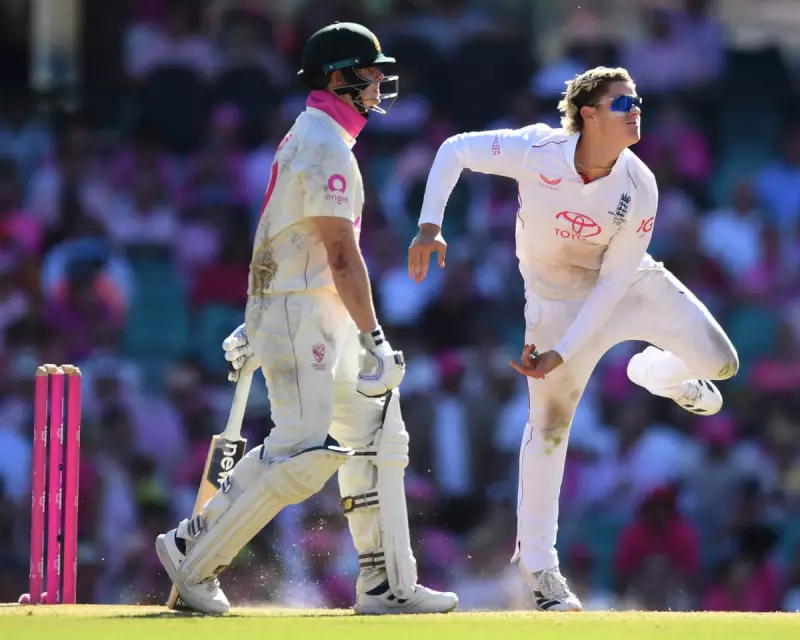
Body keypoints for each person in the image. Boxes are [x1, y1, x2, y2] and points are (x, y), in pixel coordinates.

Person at [407, 66, 739, 611]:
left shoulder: (640, 183)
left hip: (628, 287)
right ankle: (540, 569)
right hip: (555, 303)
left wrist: (564, 352)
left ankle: (653, 371)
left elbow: (612, 283)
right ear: (588, 113)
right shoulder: (537, 149)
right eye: (622, 102)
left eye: (637, 100)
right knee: (549, 427)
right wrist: (429, 226)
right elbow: (455, 150)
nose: (636, 109)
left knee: (721, 365)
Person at [156, 22, 458, 616]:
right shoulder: (322, 144)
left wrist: (260, 311)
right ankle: (193, 553)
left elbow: (285, 232)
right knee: (303, 451)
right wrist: (373, 336)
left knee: (377, 434)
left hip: (310, 307)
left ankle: (387, 585)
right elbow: (340, 252)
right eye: (369, 75)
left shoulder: (318, 136)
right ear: (339, 78)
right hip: (302, 311)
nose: (379, 86)